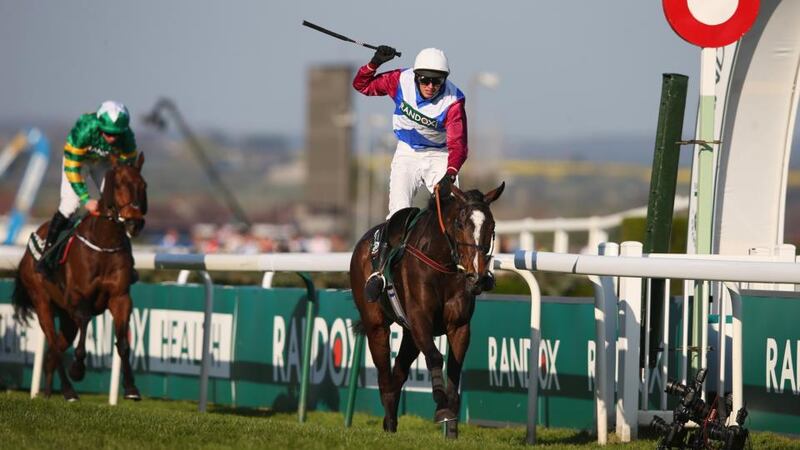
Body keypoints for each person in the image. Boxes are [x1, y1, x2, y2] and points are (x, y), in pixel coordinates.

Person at [353, 46, 469, 302]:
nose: (430, 86)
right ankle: (380, 273)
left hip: (440, 157)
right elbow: (361, 85)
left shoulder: (454, 101)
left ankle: (466, 272)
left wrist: (450, 173)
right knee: (398, 211)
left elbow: (459, 145)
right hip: (407, 153)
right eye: (424, 79)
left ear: (444, 80)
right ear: (416, 76)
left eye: (436, 81)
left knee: (454, 213)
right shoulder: (399, 80)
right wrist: (374, 63)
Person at [36, 101, 138, 276]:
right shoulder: (84, 129)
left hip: (102, 163)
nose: (112, 138)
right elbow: (72, 168)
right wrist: (85, 199)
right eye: (107, 133)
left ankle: (127, 258)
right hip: (77, 163)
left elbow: (127, 168)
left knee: (119, 204)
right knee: (70, 206)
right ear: (99, 125)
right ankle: (47, 254)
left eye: (116, 134)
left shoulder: (128, 138)